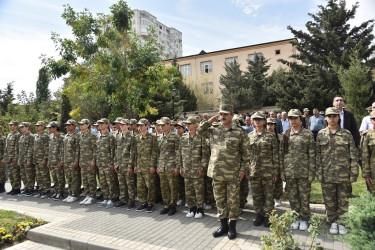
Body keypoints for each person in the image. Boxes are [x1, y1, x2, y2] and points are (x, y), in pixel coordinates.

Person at [197, 104, 250, 240]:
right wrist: (210, 121)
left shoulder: (239, 132)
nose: (223, 116)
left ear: (232, 116)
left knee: (233, 201)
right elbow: (199, 131)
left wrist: (243, 169)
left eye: (226, 114)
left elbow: (246, 154)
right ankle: (223, 226)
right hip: (216, 172)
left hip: (233, 173)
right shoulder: (213, 129)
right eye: (221, 114)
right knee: (219, 200)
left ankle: (232, 227)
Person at [316, 107, 358, 235]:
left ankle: (343, 222)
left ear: (338, 117)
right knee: (329, 200)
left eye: (334, 116)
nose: (332, 118)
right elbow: (317, 155)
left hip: (343, 174)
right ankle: (332, 221)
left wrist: (354, 172)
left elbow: (353, 155)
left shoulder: (346, 134)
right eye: (329, 116)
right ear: (326, 118)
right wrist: (319, 172)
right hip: (327, 174)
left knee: (343, 200)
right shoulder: (321, 134)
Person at [282, 109, 315, 231]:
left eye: (295, 118)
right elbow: (282, 155)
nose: (293, 120)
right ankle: (295, 217)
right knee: (293, 197)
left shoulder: (307, 134)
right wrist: (282, 172)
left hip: (304, 173)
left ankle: (305, 218)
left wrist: (312, 173)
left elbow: (312, 155)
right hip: (289, 172)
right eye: (291, 118)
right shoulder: (285, 134)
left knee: (304, 197)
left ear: (300, 119)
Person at [249, 112, 279, 228]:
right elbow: (247, 155)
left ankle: (268, 216)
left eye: (260, 119)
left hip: (268, 170)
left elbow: (275, 155)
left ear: (264, 121)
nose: (257, 121)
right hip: (254, 170)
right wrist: (247, 171)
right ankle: (259, 214)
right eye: (255, 119)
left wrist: (275, 171)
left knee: (268, 194)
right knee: (256, 194)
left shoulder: (271, 136)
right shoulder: (250, 136)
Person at [180, 116, 207, 219]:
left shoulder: (200, 137)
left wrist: (201, 167)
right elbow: (180, 153)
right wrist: (181, 167)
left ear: (195, 125)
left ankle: (200, 209)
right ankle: (192, 208)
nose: (187, 125)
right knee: (189, 190)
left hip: (197, 169)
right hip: (186, 169)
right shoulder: (183, 137)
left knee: (199, 190)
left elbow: (205, 154)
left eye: (190, 123)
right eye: (186, 124)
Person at [132, 118, 158, 213]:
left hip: (148, 166)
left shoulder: (152, 138)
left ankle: (150, 203)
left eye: (142, 126)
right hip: (140, 166)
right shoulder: (137, 138)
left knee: (150, 185)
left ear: (147, 126)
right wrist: (135, 165)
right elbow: (136, 153)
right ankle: (143, 202)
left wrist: (152, 165)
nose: (140, 128)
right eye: (139, 126)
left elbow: (154, 152)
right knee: (140, 186)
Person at [157, 117, 181, 216]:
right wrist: (158, 165)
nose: (161, 127)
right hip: (162, 166)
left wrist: (177, 167)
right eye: (160, 125)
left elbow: (178, 152)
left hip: (171, 166)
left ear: (168, 125)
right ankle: (166, 205)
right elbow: (159, 153)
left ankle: (172, 206)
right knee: (164, 187)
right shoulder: (160, 137)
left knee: (173, 187)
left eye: (163, 125)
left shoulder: (174, 137)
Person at [96, 118, 117, 208]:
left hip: (108, 163)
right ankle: (106, 198)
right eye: (99, 123)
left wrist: (112, 163)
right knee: (103, 182)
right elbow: (97, 150)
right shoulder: (98, 135)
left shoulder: (110, 136)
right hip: (101, 163)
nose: (100, 125)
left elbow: (113, 151)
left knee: (110, 182)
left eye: (102, 123)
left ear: (107, 125)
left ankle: (112, 199)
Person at [78, 119, 97, 205]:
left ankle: (92, 196)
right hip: (83, 161)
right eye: (80, 124)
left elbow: (95, 149)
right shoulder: (80, 135)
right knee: (84, 179)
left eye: (83, 124)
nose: (81, 126)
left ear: (87, 125)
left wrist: (93, 160)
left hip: (89, 161)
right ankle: (87, 195)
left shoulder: (92, 136)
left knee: (91, 179)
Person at [266, 117, 284, 208]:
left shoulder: (280, 137)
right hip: (267, 162)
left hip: (278, 161)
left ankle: (277, 197)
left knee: (278, 182)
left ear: (275, 125)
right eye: (268, 124)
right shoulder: (264, 137)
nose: (269, 126)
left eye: (271, 124)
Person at [62, 119, 80, 203]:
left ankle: (75, 195)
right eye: (67, 125)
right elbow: (64, 149)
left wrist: (76, 161)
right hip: (67, 160)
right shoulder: (66, 136)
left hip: (73, 160)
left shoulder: (77, 136)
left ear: (74, 126)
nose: (67, 126)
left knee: (74, 178)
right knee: (69, 178)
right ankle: (70, 194)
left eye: (69, 125)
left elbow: (77, 149)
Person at [47, 121, 65, 200]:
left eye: (50, 127)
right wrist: (49, 161)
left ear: (55, 128)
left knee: (60, 177)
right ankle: (56, 192)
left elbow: (62, 150)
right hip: (52, 161)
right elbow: (50, 150)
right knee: (54, 178)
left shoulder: (61, 137)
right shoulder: (50, 136)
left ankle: (60, 193)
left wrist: (61, 161)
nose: (49, 129)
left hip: (58, 161)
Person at [33, 121, 50, 199]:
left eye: (38, 126)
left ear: (43, 126)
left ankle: (46, 191)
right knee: (38, 176)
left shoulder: (45, 136)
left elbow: (47, 149)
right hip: (36, 159)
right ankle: (41, 190)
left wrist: (45, 159)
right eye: (36, 126)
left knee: (44, 175)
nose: (36, 127)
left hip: (42, 159)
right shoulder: (36, 136)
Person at [18, 122, 35, 196]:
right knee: (23, 174)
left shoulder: (31, 136)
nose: (21, 128)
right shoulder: (22, 136)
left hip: (27, 159)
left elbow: (31, 149)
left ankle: (30, 189)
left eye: (22, 127)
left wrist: (29, 159)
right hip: (22, 158)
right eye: (20, 127)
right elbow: (20, 149)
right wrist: (19, 158)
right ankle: (26, 188)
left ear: (27, 127)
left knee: (29, 174)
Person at [5, 120, 21, 195]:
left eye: (12, 125)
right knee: (11, 174)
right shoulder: (9, 135)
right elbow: (6, 147)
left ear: (16, 126)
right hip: (8, 157)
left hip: (13, 157)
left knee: (15, 173)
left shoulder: (17, 135)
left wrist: (16, 157)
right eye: (10, 125)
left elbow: (17, 147)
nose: (10, 126)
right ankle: (13, 187)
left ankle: (17, 188)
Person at [362, 111, 375, 195]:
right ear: (371, 120)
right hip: (373, 172)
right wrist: (366, 174)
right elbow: (364, 155)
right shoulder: (367, 135)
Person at [175, 121, 186, 206]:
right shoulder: (175, 138)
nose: (178, 130)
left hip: (185, 164)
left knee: (186, 183)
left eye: (180, 128)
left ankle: (187, 199)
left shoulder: (185, 137)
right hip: (176, 163)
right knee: (179, 183)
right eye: (177, 128)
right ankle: (181, 198)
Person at [0, 126, 6, 193]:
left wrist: (3, 158)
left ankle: (2, 187)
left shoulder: (3, 138)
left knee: (1, 173)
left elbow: (5, 149)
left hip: (1, 158)